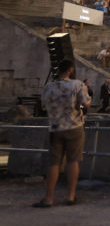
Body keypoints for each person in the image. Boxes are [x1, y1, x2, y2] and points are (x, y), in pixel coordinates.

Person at [35, 59, 90, 207]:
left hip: (55, 127)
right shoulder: (78, 85)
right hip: (74, 126)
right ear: (70, 70)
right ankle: (71, 196)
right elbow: (86, 103)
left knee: (53, 163)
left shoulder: (48, 87)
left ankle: (49, 198)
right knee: (73, 161)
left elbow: (44, 107)